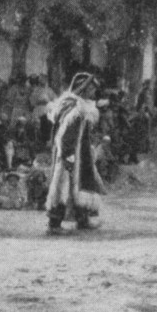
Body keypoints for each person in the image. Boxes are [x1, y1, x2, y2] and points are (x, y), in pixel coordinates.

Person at [44, 72, 107, 234]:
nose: (93, 92)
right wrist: (68, 155)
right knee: (65, 186)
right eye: (91, 89)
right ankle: (57, 221)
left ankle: (81, 217)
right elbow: (66, 134)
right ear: (83, 90)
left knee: (81, 183)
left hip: (82, 152)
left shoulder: (75, 106)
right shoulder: (76, 109)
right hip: (72, 153)